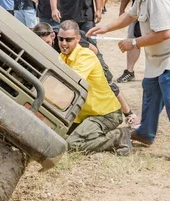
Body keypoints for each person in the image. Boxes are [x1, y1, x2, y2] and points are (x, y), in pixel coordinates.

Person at [88, 0, 170, 146]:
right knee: (150, 93)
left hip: (168, 58)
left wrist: (133, 42)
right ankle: (145, 133)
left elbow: (165, 33)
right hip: (156, 58)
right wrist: (105, 28)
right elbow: (130, 15)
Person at [33, 22, 139, 128]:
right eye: (40, 43)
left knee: (109, 83)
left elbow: (93, 50)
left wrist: (94, 64)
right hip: (71, 60)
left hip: (89, 55)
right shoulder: (52, 45)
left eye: (47, 42)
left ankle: (129, 114)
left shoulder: (67, 39)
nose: (44, 45)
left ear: (53, 36)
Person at [53, 20, 131, 155]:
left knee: (72, 144)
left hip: (105, 114)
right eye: (61, 39)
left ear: (78, 39)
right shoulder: (63, 57)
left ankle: (118, 137)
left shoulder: (85, 56)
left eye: (69, 39)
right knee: (57, 138)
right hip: (84, 116)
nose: (64, 43)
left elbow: (69, 83)